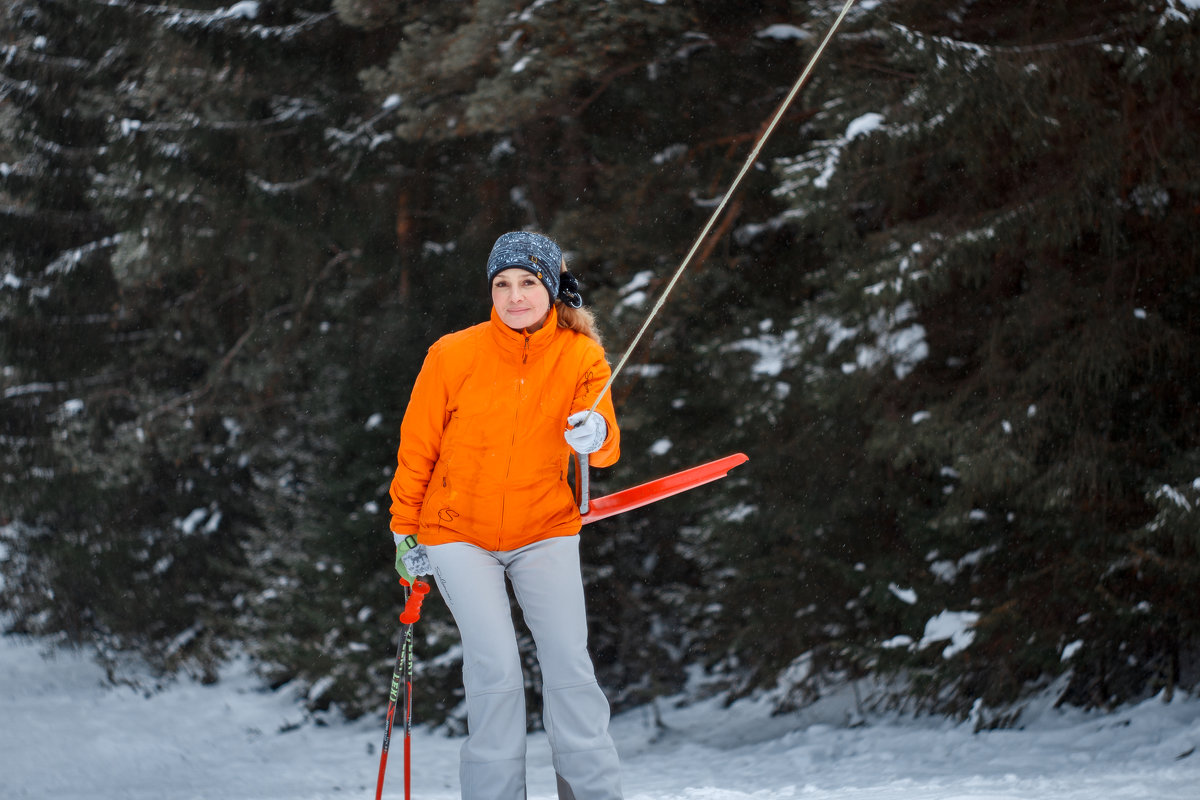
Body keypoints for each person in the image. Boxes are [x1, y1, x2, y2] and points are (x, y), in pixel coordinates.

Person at [388, 231, 623, 800]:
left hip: (544, 528)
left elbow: (607, 446)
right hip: (456, 533)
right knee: (494, 670)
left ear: (551, 288)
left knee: (569, 664)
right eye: (502, 284)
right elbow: (418, 445)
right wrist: (404, 527)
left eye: (527, 283)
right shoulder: (453, 353)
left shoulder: (581, 355)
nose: (515, 296)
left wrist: (594, 435)